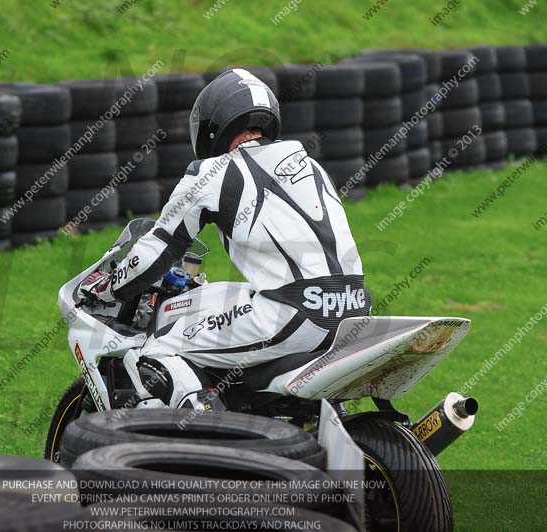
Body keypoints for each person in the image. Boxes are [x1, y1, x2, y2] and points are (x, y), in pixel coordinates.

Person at [79, 68, 370, 410]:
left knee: (158, 348)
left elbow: (158, 248)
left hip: (293, 314)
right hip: (354, 311)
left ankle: (209, 444)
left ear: (211, 125)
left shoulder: (210, 173)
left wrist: (108, 286)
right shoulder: (312, 167)